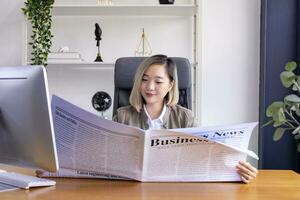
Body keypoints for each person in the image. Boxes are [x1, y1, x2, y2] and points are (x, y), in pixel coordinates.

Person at [113, 54, 257, 183]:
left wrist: (237, 170)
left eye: (158, 82)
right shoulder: (122, 116)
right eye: (144, 80)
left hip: (175, 189)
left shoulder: (186, 118)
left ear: (170, 85)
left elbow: (204, 157)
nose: (150, 87)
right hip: (132, 188)